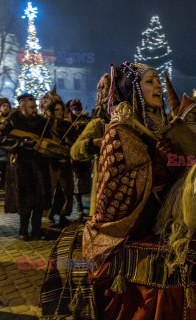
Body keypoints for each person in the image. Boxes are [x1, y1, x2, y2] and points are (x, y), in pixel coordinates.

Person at [82, 62, 176, 319]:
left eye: (158, 80)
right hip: (128, 230)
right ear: (133, 90)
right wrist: (156, 162)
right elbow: (112, 194)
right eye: (150, 81)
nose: (159, 86)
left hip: (158, 223)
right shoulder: (118, 131)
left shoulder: (158, 128)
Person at [0, 93, 51, 240]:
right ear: (22, 106)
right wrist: (20, 144)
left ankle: (37, 230)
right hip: (21, 164)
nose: (35, 109)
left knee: (39, 197)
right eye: (32, 107)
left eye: (35, 106)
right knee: (24, 197)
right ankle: (23, 230)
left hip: (39, 164)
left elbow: (50, 139)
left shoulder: (43, 122)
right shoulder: (12, 120)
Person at [70, 74, 112, 217]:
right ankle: (80, 207)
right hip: (106, 185)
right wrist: (92, 143)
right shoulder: (98, 123)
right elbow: (75, 150)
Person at [40, 90, 76, 228]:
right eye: (57, 110)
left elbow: (74, 140)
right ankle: (50, 214)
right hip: (51, 164)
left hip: (65, 163)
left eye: (61, 109)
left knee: (66, 191)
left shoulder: (66, 125)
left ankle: (63, 215)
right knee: (53, 191)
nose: (60, 112)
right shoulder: (46, 125)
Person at [65, 99, 92, 219]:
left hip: (84, 155)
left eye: (79, 109)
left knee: (83, 182)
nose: (78, 112)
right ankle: (79, 207)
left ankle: (82, 206)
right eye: (75, 109)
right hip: (73, 155)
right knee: (76, 183)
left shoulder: (85, 120)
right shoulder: (68, 122)